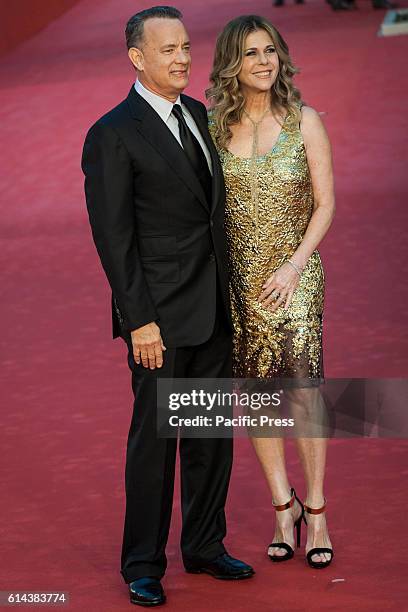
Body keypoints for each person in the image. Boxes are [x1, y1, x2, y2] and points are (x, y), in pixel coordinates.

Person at [81, 6, 254, 607]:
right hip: (158, 318)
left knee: (209, 436)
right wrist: (139, 321)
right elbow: (114, 238)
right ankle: (143, 564)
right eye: (169, 50)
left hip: (212, 308)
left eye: (186, 46)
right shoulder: (112, 132)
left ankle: (205, 545)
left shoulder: (200, 115)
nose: (183, 57)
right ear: (137, 58)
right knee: (155, 444)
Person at [207, 15, 335, 569]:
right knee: (258, 396)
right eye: (250, 53)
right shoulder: (212, 128)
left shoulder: (304, 121)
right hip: (241, 281)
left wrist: (293, 267)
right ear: (231, 64)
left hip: (296, 275)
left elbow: (326, 204)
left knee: (303, 395)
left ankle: (318, 509)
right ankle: (283, 508)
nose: (263, 62)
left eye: (270, 51)